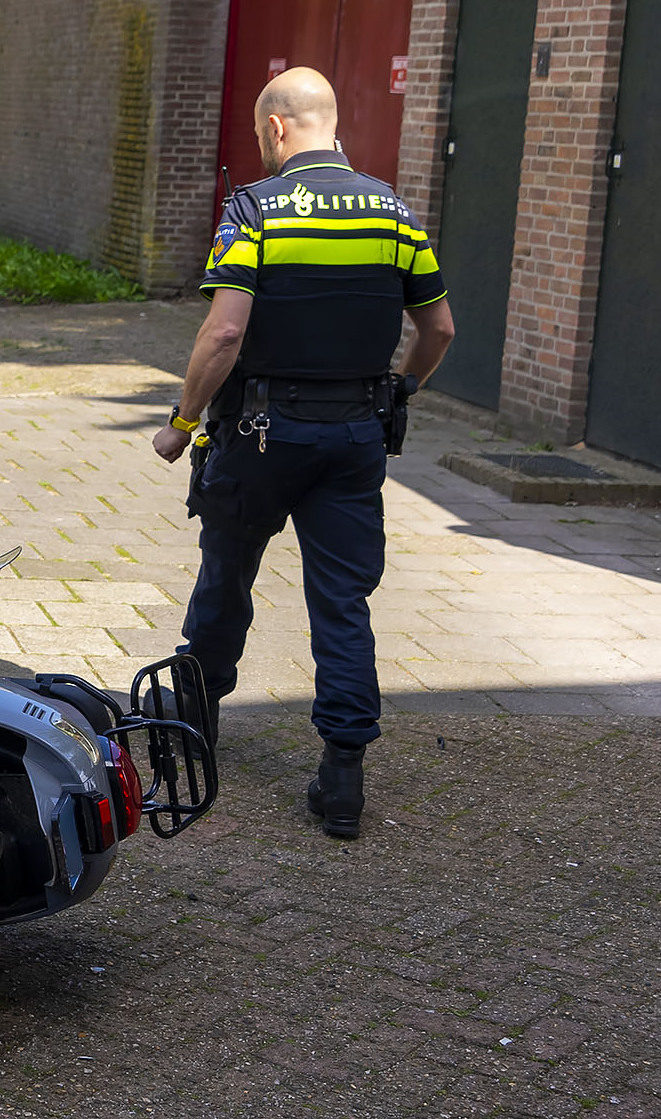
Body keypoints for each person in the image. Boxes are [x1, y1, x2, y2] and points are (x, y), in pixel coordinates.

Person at [151, 67, 456, 840]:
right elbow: (440, 329)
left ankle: (195, 723)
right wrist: (400, 389)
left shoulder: (255, 208)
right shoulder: (394, 211)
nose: (262, 142)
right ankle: (343, 777)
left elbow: (225, 332)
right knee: (343, 600)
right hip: (355, 437)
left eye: (262, 131)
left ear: (279, 127)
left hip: (260, 434)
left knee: (226, 574)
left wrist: (182, 422)